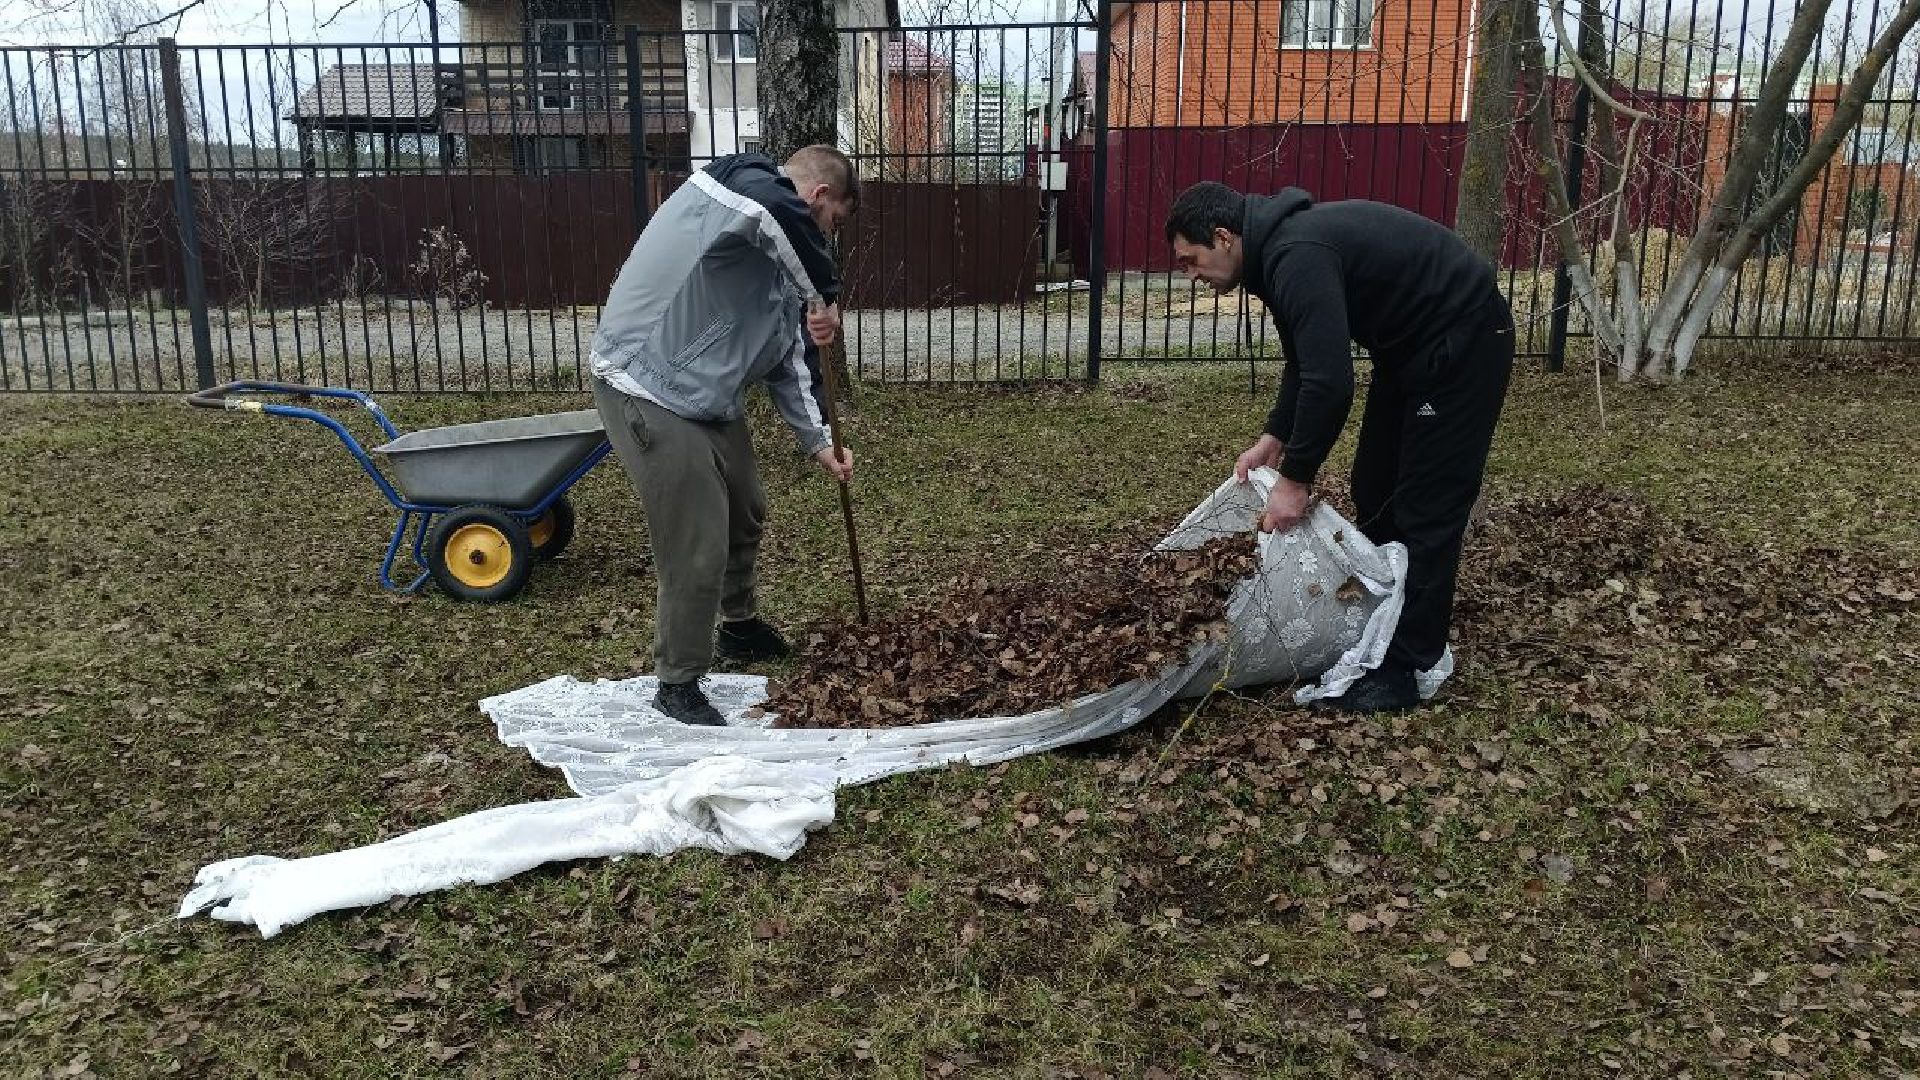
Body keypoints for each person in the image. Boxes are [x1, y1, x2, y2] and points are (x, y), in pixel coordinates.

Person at [1165, 181, 1514, 714]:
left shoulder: (1295, 254)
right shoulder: (1278, 254)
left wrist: (1295, 480)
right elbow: (1305, 361)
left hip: (1462, 339)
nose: (1191, 276)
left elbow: (1332, 383)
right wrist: (1274, 439)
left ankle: (1407, 665)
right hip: (1409, 351)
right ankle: (1378, 624)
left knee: (1427, 505)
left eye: (1191, 261)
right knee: (1374, 484)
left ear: (1223, 237)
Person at [590, 145, 859, 727]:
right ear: (816, 198)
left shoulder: (782, 266)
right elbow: (770, 207)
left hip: (708, 397)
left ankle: (738, 626)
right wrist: (825, 293)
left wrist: (819, 443)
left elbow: (791, 363)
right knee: (698, 537)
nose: (830, 237)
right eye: (834, 222)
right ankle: (678, 681)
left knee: (746, 509)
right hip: (646, 385)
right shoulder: (733, 189)